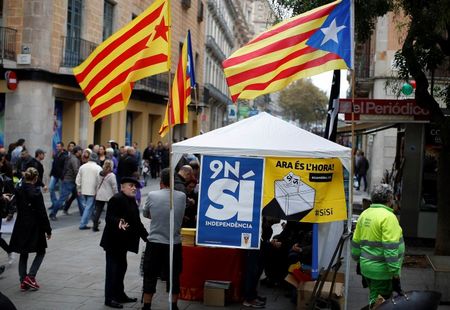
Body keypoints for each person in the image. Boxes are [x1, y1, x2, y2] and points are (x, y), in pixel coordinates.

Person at [351, 184, 404, 308]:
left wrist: (358, 260)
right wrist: (395, 273)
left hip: (367, 269)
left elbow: (355, 243)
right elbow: (390, 248)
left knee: (375, 296)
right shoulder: (389, 217)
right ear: (389, 199)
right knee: (381, 303)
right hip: (382, 272)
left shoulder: (364, 214)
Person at [100, 176, 148, 309]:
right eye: (130, 185)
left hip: (123, 243)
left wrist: (147, 238)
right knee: (112, 270)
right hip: (113, 242)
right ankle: (109, 298)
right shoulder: (116, 199)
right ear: (122, 187)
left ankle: (120, 294)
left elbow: (137, 223)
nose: (133, 188)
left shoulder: (132, 201)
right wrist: (118, 222)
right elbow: (110, 217)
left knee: (121, 268)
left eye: (135, 186)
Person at [142, 168, 186, 310]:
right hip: (174, 242)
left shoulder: (152, 195)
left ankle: (147, 305)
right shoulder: (181, 196)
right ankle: (173, 305)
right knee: (174, 275)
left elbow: (146, 213)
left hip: (155, 242)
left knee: (150, 274)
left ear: (161, 181)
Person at [9, 167, 52, 291]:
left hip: (21, 224)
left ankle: (23, 280)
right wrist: (48, 230)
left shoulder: (19, 189)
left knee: (24, 252)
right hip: (34, 226)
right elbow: (42, 213)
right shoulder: (36, 192)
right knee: (41, 251)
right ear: (36, 178)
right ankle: (31, 276)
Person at [49, 146, 83, 220]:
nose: (81, 152)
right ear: (77, 152)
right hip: (70, 181)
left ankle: (84, 215)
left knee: (80, 198)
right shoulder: (74, 159)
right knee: (62, 199)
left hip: (70, 181)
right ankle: (52, 214)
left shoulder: (70, 157)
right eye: (80, 151)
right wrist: (81, 179)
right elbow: (76, 171)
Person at [76, 152, 102, 230]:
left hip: (84, 190)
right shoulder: (98, 168)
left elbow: (78, 179)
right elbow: (99, 181)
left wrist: (79, 189)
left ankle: (95, 219)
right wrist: (97, 191)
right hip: (92, 191)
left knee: (88, 207)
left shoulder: (82, 167)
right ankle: (83, 224)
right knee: (89, 207)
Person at [93, 159, 118, 232]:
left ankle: (95, 225)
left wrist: (95, 192)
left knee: (98, 211)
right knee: (110, 211)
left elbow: (97, 184)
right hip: (109, 195)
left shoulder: (100, 173)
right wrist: (116, 195)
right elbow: (114, 187)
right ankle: (110, 225)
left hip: (100, 194)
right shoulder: (112, 175)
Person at [48, 142, 68, 208]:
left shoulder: (65, 155)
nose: (57, 148)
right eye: (57, 146)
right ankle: (54, 203)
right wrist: (51, 173)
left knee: (61, 191)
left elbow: (65, 167)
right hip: (54, 174)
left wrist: (63, 175)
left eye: (59, 146)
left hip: (61, 176)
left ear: (62, 147)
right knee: (51, 188)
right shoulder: (56, 155)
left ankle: (61, 204)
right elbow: (54, 165)